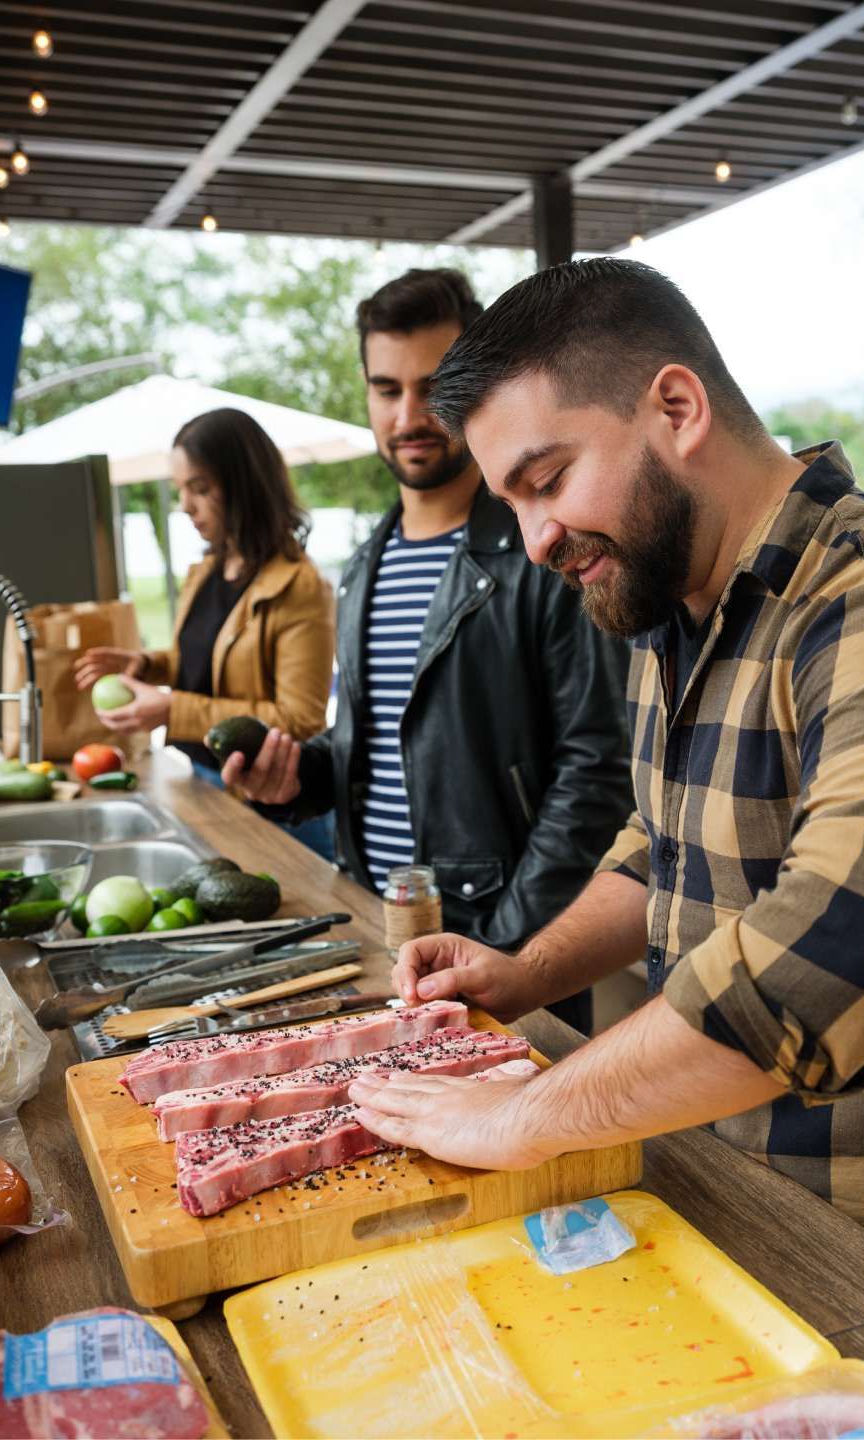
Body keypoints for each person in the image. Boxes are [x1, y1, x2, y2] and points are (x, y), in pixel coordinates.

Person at [339, 259, 864, 1366]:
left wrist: (514, 1120)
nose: (539, 538)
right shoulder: (670, 604)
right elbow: (662, 847)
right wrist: (523, 973)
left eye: (548, 479)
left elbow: (844, 948)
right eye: (514, 502)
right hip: (743, 1230)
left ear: (677, 409)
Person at [223, 269, 630, 1034]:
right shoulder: (363, 561)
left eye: (433, 385)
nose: (408, 414)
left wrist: (505, 946)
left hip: (506, 945)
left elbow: (599, 771)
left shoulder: (544, 550)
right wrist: (300, 778)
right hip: (376, 934)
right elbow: (380, 744)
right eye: (386, 389)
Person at [76, 409, 335, 852]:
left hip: (272, 802)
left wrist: (172, 710)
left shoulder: (301, 586)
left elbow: (300, 720)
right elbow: (204, 661)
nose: (185, 506)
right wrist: (146, 664)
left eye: (200, 488)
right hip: (202, 778)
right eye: (181, 489)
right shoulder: (208, 570)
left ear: (246, 485)